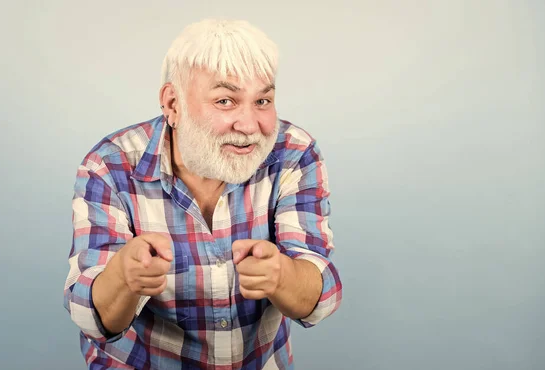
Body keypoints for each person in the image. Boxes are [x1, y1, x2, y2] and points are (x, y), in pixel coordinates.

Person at [63, 19, 342, 369]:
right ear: (173, 103)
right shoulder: (109, 167)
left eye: (263, 100)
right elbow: (91, 318)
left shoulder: (293, 153)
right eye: (225, 100)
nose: (249, 125)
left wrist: (283, 275)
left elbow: (321, 296)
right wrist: (123, 276)